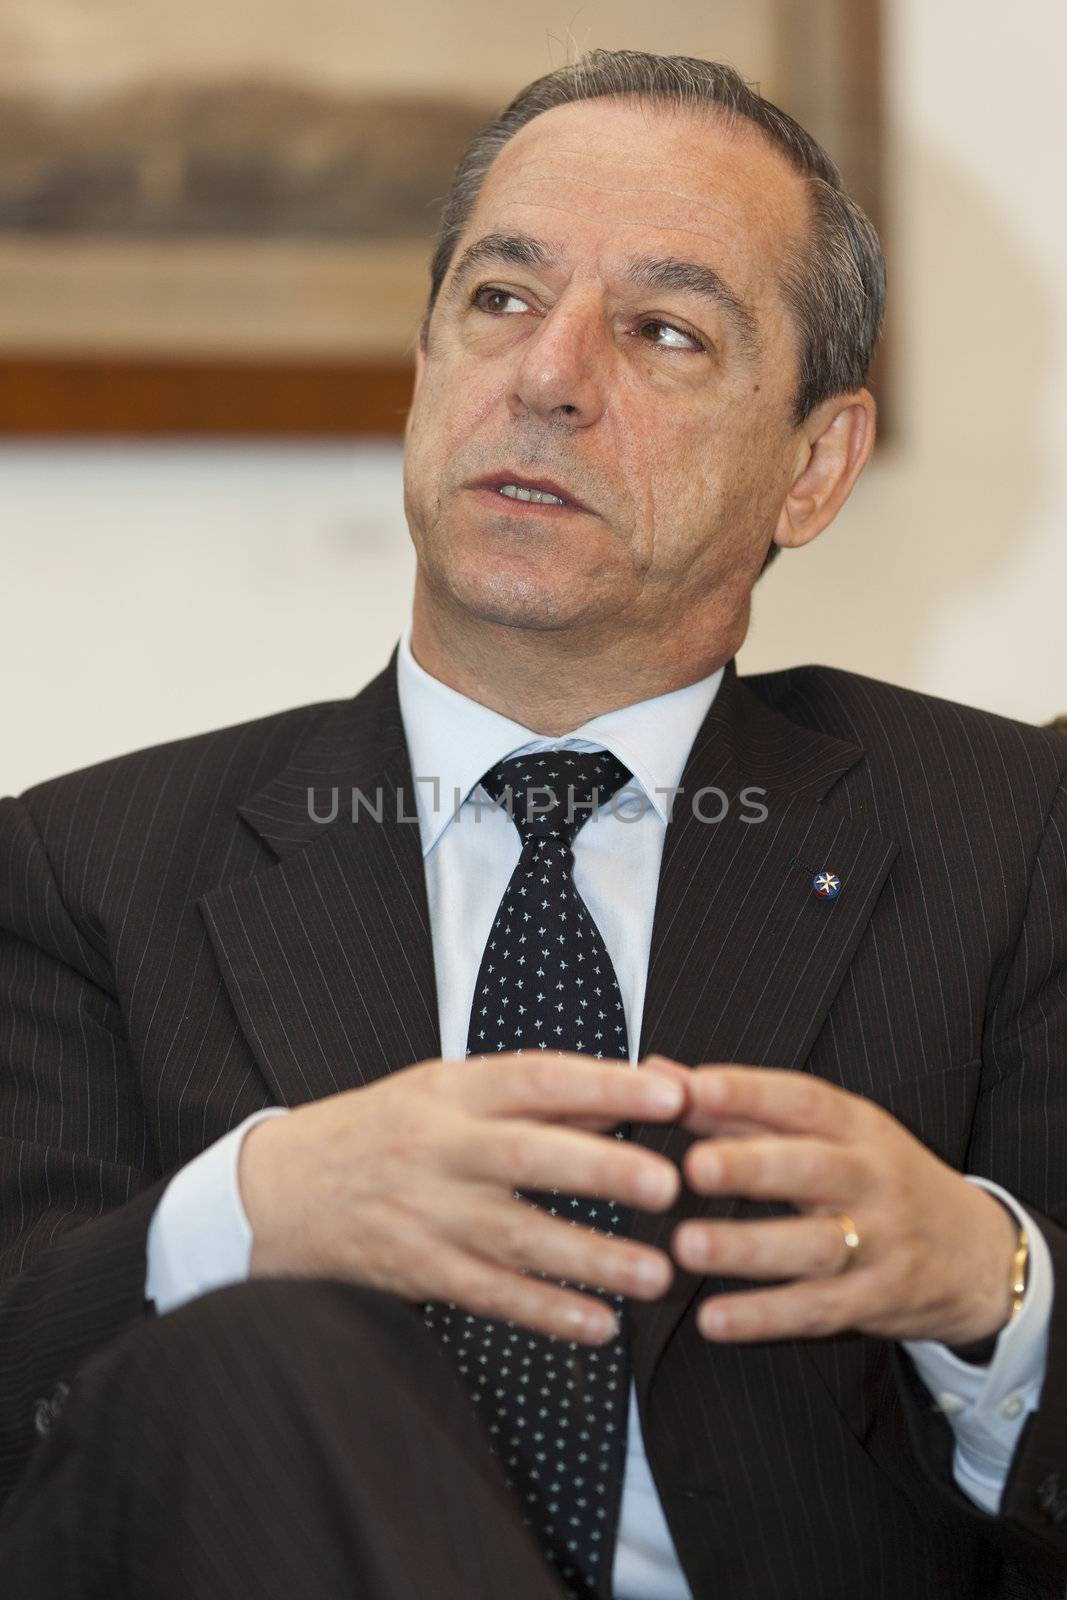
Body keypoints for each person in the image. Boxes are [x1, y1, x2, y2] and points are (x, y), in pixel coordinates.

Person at [0, 48, 1064, 1600]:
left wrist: (994, 1287)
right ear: (424, 364)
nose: (551, 376)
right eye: (500, 300)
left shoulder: (1014, 838)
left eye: (664, 331)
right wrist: (242, 1216)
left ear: (815, 465)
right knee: (259, 1348)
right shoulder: (85, 871)